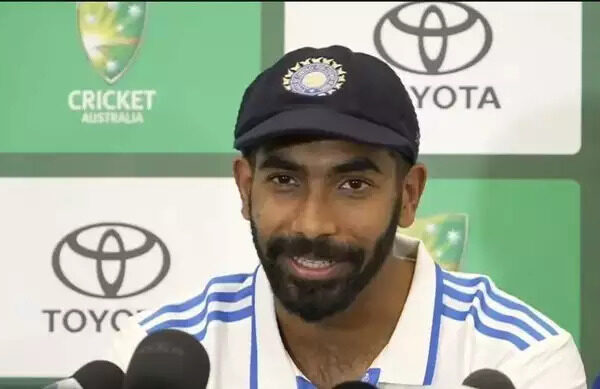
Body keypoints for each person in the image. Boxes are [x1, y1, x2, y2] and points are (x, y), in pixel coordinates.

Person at [109, 45, 587, 389]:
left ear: (408, 195)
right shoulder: (157, 361)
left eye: (353, 185)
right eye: (284, 181)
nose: (313, 224)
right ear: (245, 186)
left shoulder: (520, 363)